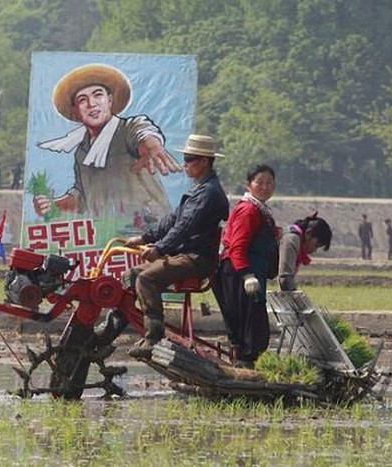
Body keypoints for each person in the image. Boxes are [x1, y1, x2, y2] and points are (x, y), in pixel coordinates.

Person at [124, 134, 229, 360]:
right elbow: (172, 220)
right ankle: (115, 327)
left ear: (203, 161)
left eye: (189, 159)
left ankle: (153, 338)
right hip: (185, 255)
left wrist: (159, 249)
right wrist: (144, 238)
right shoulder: (199, 189)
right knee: (130, 276)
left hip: (196, 259)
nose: (185, 164)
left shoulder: (208, 193)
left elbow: (184, 227)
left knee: (146, 279)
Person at [34, 63, 181, 218]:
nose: (92, 104)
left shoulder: (127, 129)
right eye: (83, 100)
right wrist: (52, 205)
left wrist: (151, 146)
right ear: (75, 110)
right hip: (108, 234)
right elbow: (83, 197)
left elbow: (143, 132)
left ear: (110, 100)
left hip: (148, 230)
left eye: (98, 95)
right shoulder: (82, 152)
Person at [212, 164, 279, 368]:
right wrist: (246, 275)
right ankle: (244, 365)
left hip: (250, 274)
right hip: (240, 274)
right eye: (260, 183)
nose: (265, 187)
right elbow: (237, 246)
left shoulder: (260, 210)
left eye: (269, 183)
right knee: (248, 323)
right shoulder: (248, 210)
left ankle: (247, 362)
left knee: (253, 321)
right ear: (248, 184)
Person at [278, 213, 333, 291]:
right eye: (316, 245)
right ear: (308, 233)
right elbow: (285, 279)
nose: (314, 250)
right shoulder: (291, 240)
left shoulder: (296, 240)